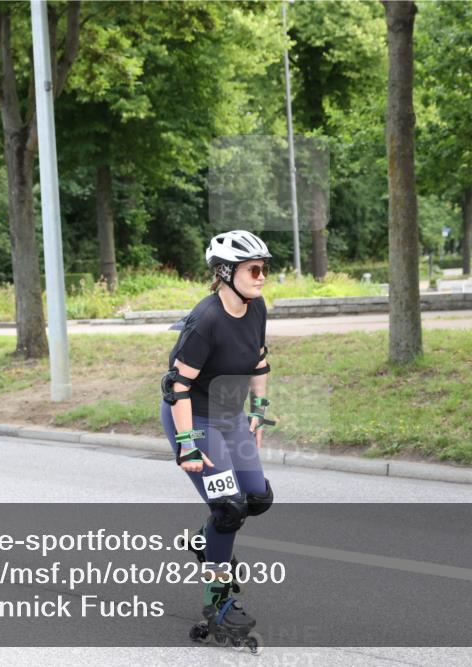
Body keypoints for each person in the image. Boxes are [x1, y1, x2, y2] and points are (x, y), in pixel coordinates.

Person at [160, 230, 275, 640]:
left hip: (230, 414)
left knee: (257, 498)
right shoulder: (206, 320)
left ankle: (208, 540)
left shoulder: (256, 308)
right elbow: (177, 387)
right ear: (225, 273)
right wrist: (187, 444)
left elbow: (259, 361)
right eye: (254, 269)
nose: (262, 277)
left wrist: (258, 412)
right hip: (194, 419)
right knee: (229, 509)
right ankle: (219, 598)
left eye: (265, 268)